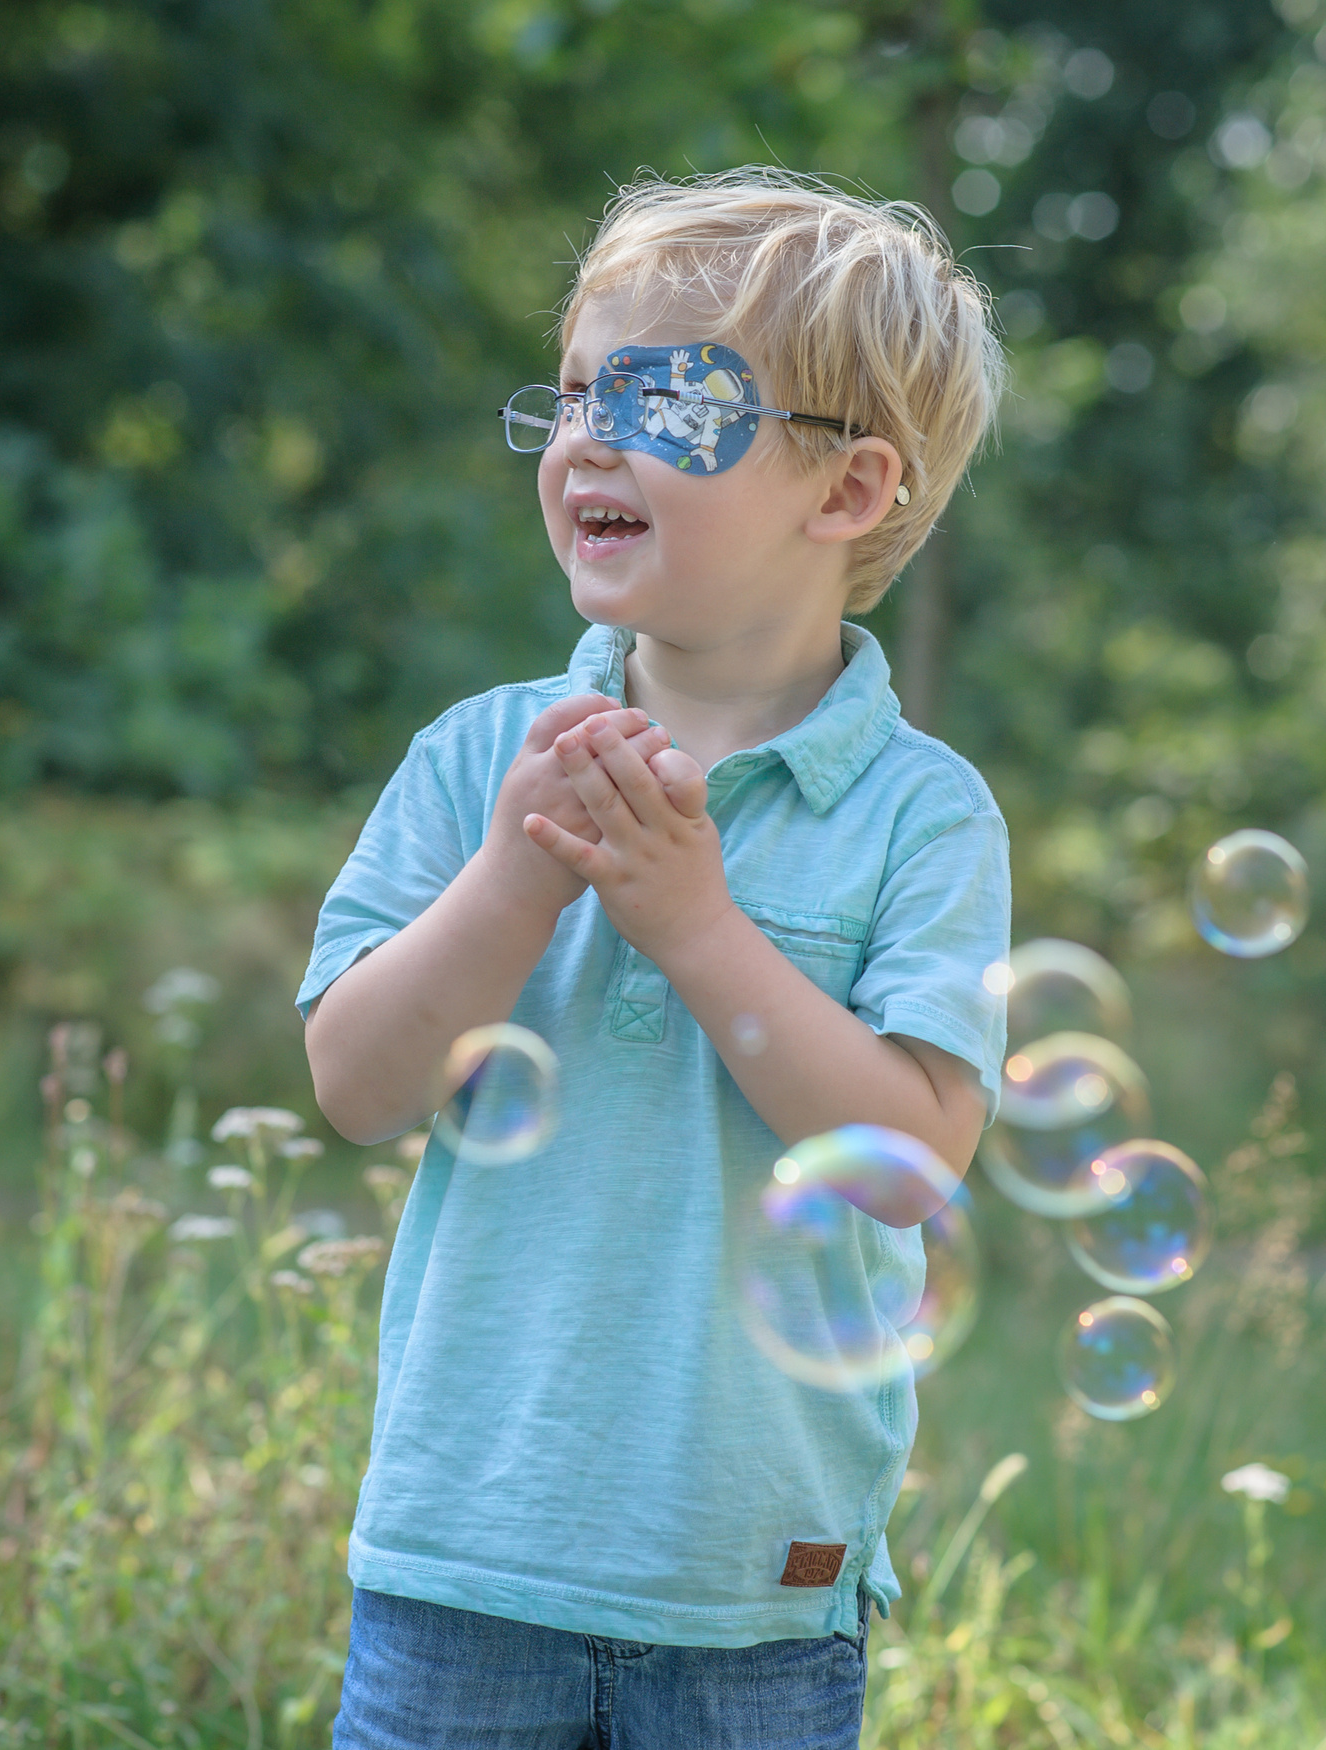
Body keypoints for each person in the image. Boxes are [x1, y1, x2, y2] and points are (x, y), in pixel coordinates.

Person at [301, 167, 1011, 1749]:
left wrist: (693, 922)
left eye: (670, 399)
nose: (589, 439)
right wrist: (511, 880)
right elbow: (355, 1084)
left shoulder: (920, 814)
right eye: (568, 397)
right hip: (463, 1554)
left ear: (847, 492)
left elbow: (907, 1162)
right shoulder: (480, 757)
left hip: (750, 1593)